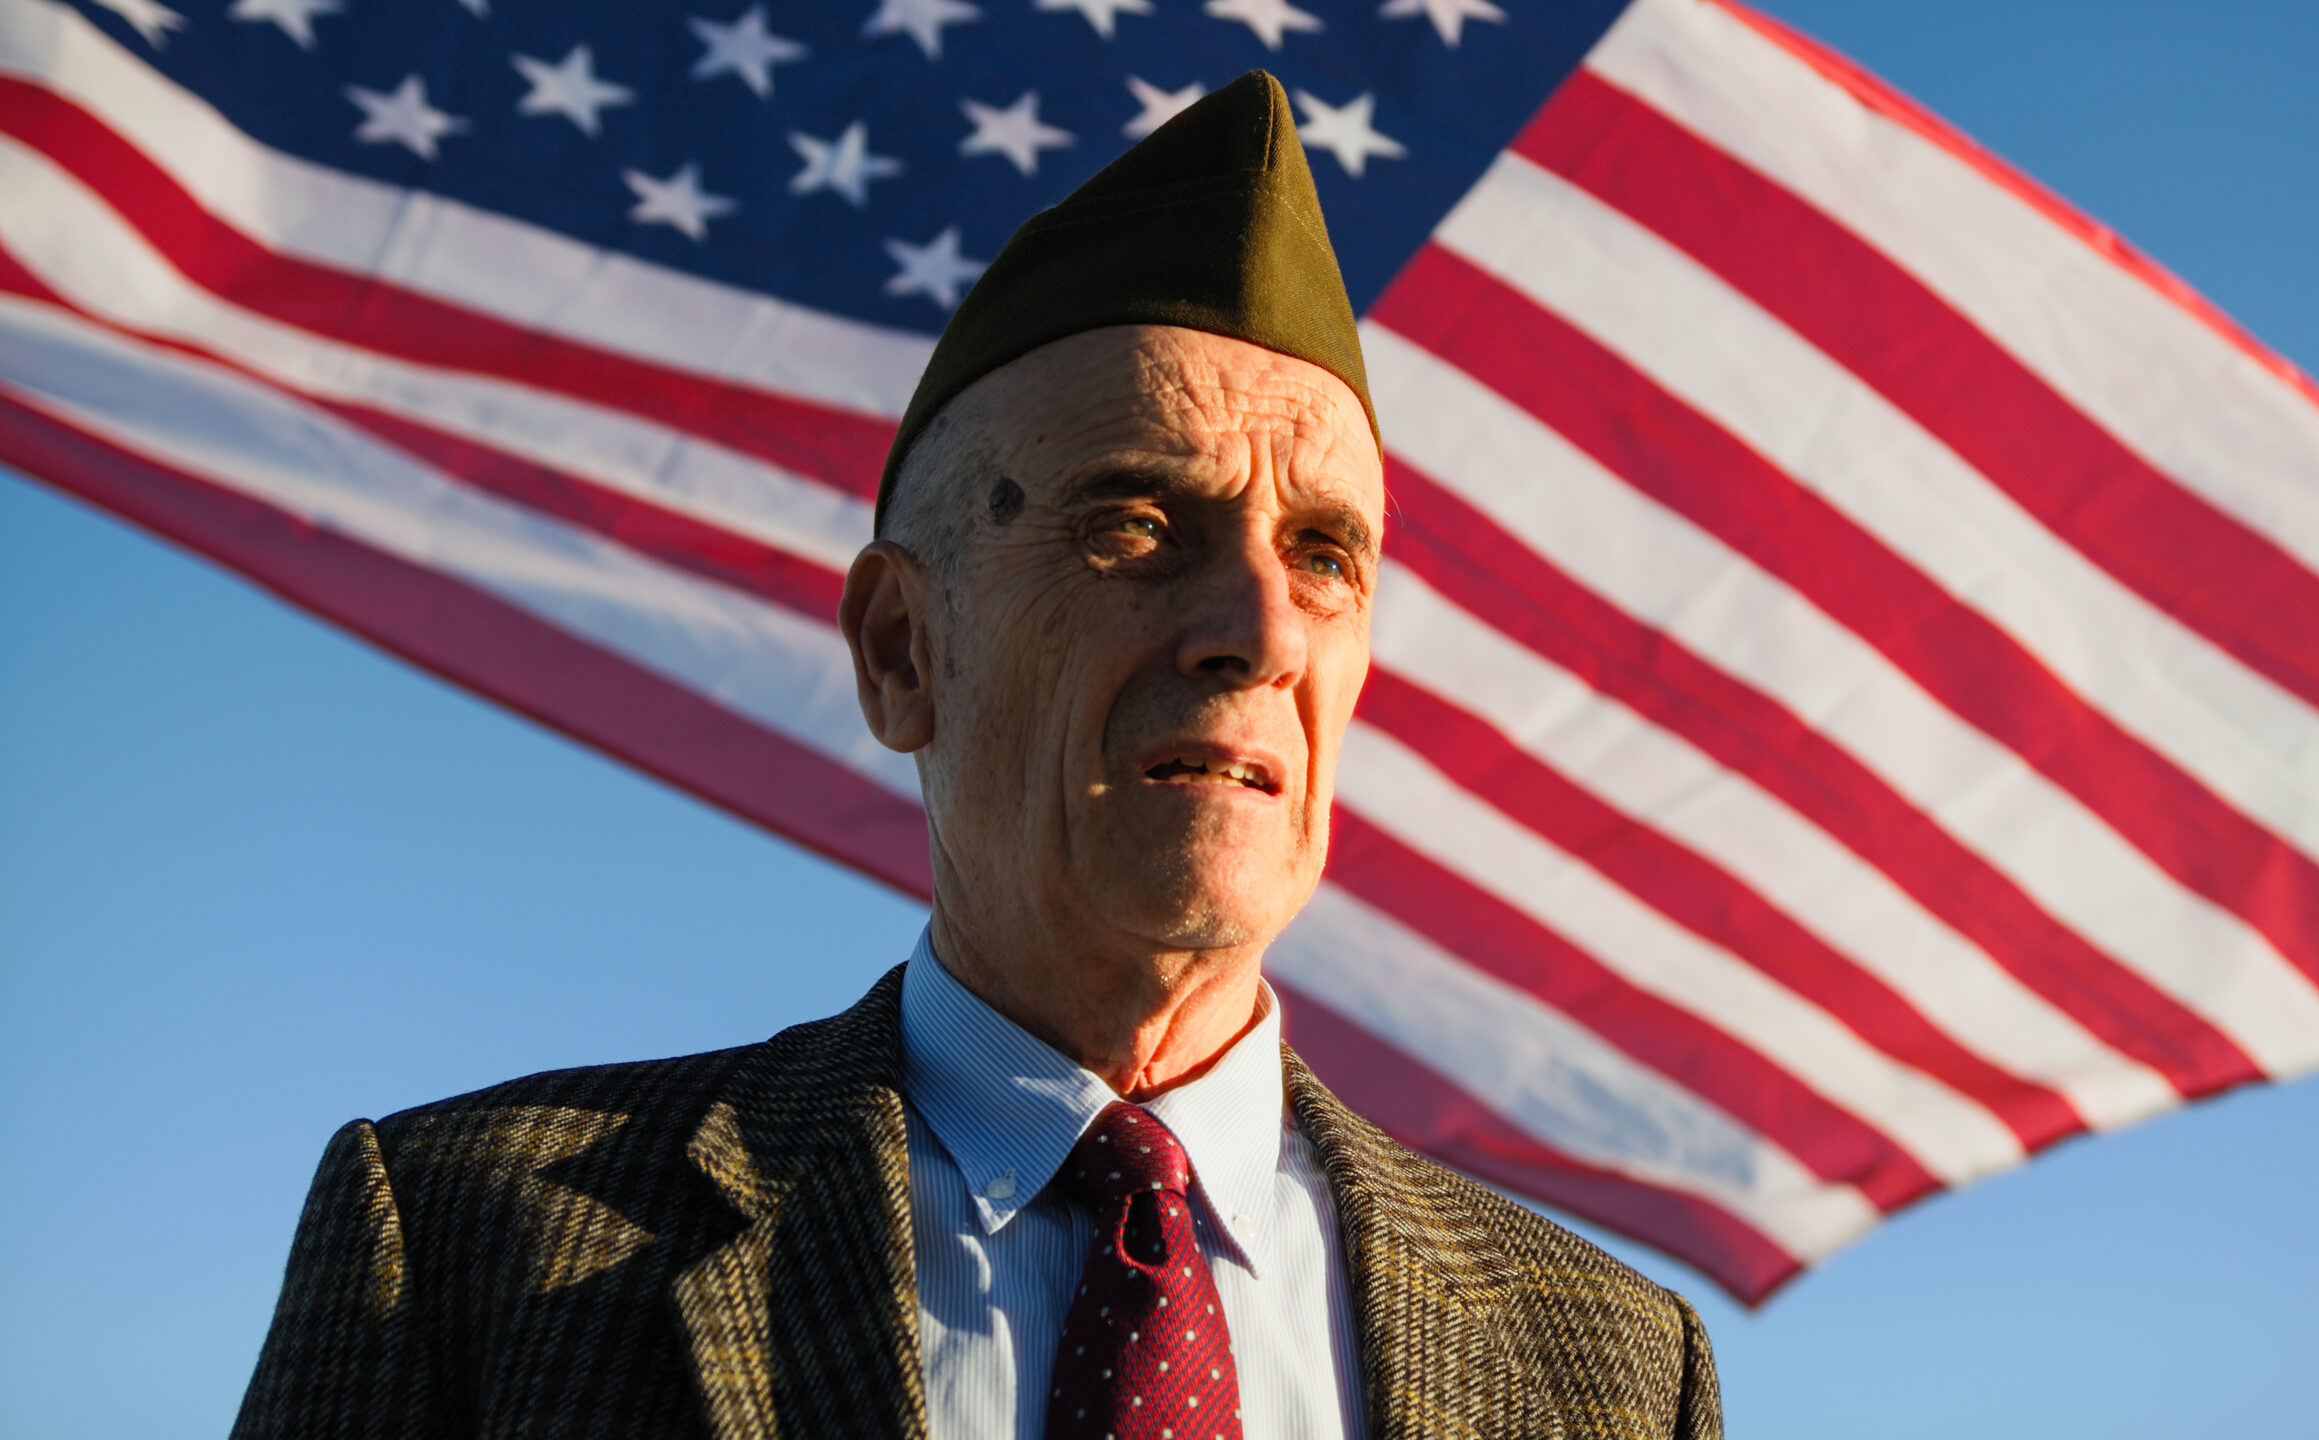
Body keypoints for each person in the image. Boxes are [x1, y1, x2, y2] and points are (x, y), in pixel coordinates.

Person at [232, 72, 1722, 1440]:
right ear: (900, 649)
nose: (1260, 630)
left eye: (1325, 556)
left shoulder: (1612, 1369)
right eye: (1136, 526)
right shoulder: (463, 1248)